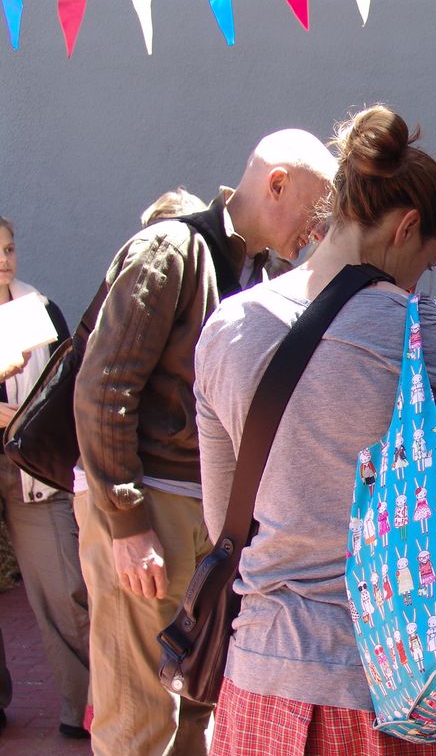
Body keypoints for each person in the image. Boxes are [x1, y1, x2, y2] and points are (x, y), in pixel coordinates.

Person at [195, 105, 436, 755]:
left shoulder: (225, 329)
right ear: (406, 226)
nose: (420, 281)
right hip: (401, 688)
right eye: (427, 260)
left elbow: (227, 525)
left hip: (260, 682)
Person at [73, 130, 337, 756]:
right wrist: (127, 522)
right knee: (140, 715)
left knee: (196, 702)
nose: (319, 228)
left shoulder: (258, 271)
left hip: (202, 516)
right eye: (317, 208)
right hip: (151, 508)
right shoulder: (170, 249)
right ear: (277, 184)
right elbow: (103, 388)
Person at [0, 216, 91, 739]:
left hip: (29, 471)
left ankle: (83, 709)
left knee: (63, 587)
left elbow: (62, 386)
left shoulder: (39, 308)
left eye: (10, 248)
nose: (5, 259)